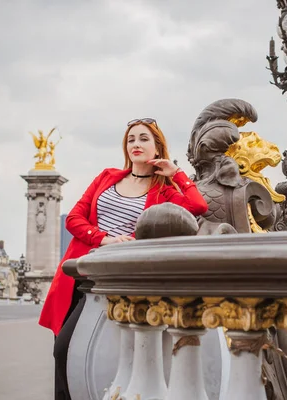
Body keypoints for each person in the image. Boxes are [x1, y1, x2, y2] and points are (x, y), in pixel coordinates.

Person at [38, 118, 208, 400]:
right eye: (131, 140)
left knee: (88, 353)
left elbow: (198, 207)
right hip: (81, 274)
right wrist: (103, 238)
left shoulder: (163, 192)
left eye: (143, 139)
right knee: (62, 350)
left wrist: (176, 173)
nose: (136, 144)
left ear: (157, 148)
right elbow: (75, 218)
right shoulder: (107, 176)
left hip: (119, 279)